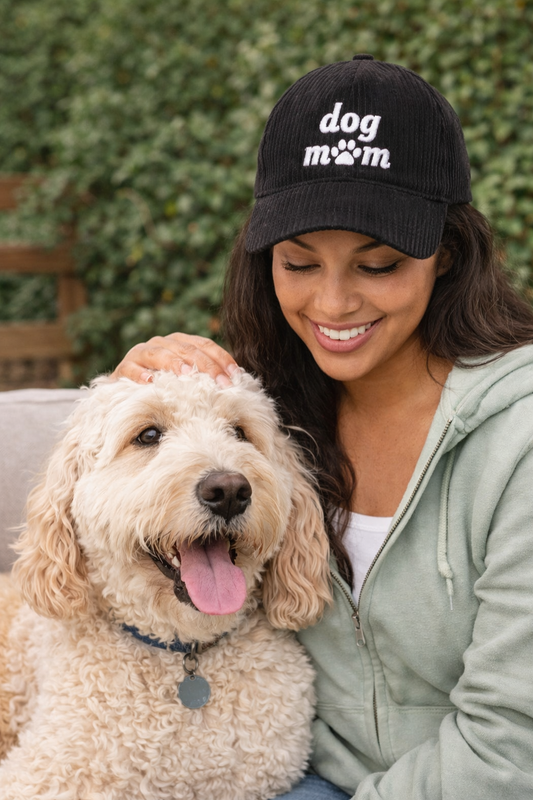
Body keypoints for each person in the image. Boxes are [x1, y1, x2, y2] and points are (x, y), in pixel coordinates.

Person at [113, 56, 533, 798]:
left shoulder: (518, 436)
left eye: (377, 265)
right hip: (299, 775)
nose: (333, 304)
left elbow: (511, 749)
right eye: (298, 262)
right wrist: (139, 393)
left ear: (448, 254)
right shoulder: (256, 422)